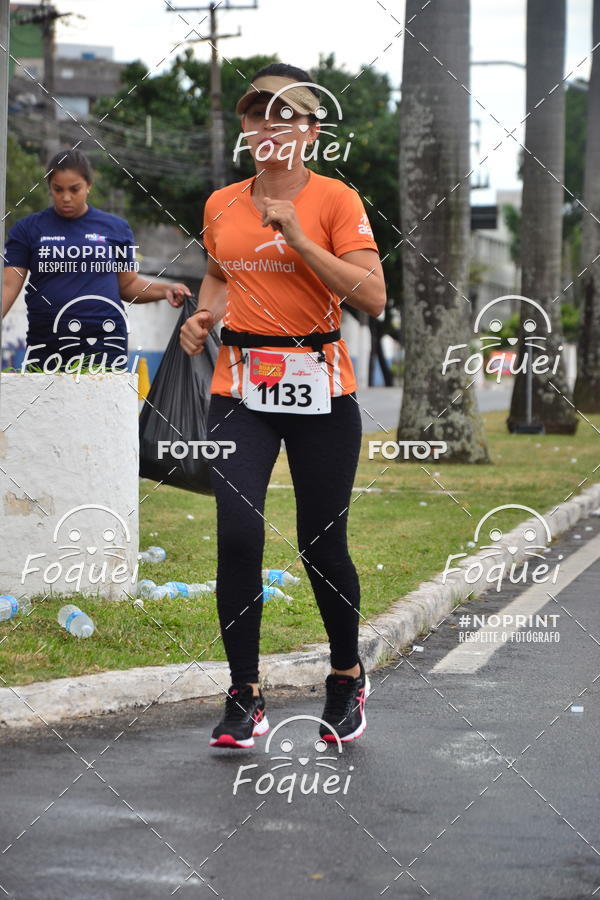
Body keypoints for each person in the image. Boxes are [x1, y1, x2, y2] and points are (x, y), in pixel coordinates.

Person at [180, 63, 387, 749]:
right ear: (245, 127)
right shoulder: (221, 203)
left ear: (311, 131)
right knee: (238, 534)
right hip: (241, 386)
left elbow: (372, 294)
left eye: (286, 114)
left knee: (321, 542)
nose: (269, 125)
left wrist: (298, 237)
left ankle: (346, 676)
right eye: (257, 113)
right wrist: (204, 319)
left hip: (321, 387)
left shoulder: (336, 200)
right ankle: (244, 694)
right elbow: (218, 274)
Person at [2, 149, 190, 372]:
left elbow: (128, 285)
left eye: (74, 189)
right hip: (46, 342)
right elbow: (8, 286)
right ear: (49, 187)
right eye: (58, 189)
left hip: (104, 343)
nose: (66, 197)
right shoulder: (27, 229)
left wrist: (166, 289)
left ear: (88, 185)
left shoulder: (116, 228)